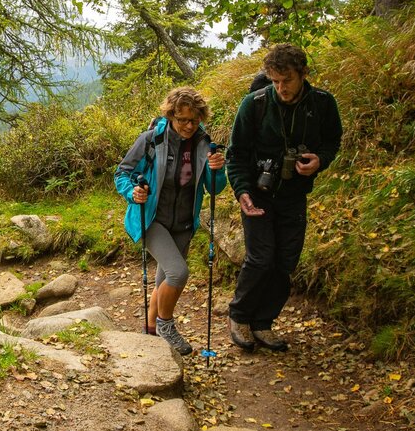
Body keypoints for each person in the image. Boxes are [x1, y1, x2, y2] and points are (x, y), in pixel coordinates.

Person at [226, 44, 342, 352]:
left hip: (294, 195)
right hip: (258, 194)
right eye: (274, 80)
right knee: (261, 257)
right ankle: (239, 316)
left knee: (284, 262)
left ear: (303, 74)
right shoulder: (255, 104)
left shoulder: (322, 104)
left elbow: (333, 140)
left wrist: (320, 160)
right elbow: (235, 154)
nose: (281, 88)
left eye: (286, 80)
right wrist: (242, 192)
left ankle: (263, 323)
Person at [115, 86, 227, 356]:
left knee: (163, 282)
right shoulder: (152, 140)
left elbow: (215, 188)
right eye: (182, 120)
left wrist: (217, 170)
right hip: (153, 219)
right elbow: (123, 173)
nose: (189, 125)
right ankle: (166, 326)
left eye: (194, 119)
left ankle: (151, 332)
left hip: (184, 224)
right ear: (171, 116)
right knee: (178, 273)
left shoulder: (203, 143)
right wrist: (133, 192)